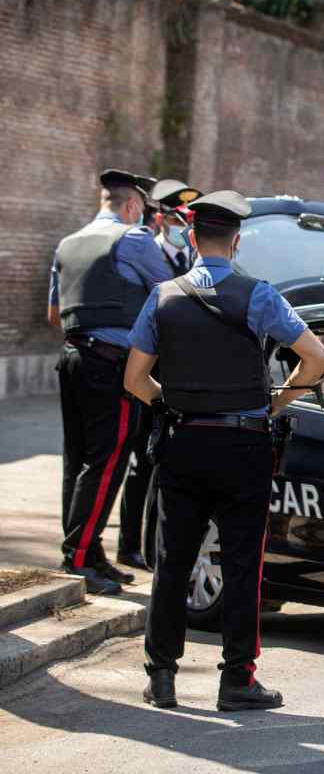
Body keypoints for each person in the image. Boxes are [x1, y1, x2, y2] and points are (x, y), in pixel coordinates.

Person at [124, 190, 324, 712]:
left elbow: (133, 379)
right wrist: (276, 404)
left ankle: (163, 677)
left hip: (184, 441)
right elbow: (317, 358)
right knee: (242, 564)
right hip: (244, 444)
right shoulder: (258, 296)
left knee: (173, 561)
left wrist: (170, 403)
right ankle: (237, 679)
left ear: (192, 239)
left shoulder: (162, 296)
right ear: (235, 243)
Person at [49, 168, 177, 595]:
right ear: (133, 206)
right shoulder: (134, 238)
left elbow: (55, 314)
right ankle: (80, 556)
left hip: (71, 358)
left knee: (78, 461)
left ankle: (88, 548)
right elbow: (169, 294)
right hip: (112, 364)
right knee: (106, 463)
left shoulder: (67, 244)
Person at [115, 179, 204, 571]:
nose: (183, 226)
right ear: (160, 218)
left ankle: (156, 544)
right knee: (139, 462)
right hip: (147, 375)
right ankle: (128, 543)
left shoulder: (191, 262)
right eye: (177, 218)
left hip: (179, 377)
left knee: (166, 463)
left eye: (189, 219)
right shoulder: (145, 255)